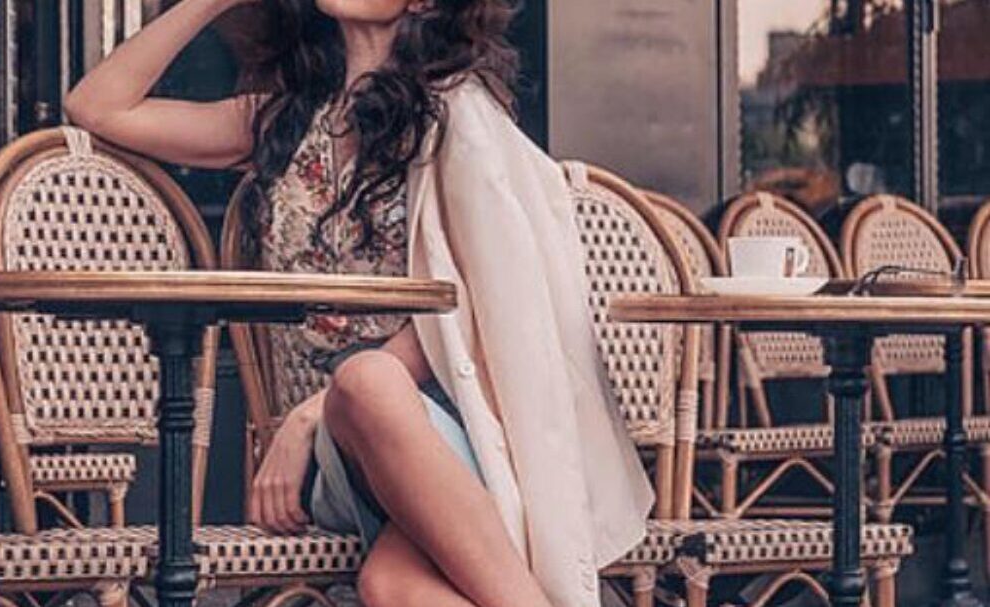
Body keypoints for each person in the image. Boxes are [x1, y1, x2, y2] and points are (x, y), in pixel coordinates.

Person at [64, 1, 653, 605]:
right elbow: (97, 107)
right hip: (345, 454)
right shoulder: (288, 118)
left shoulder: (455, 110)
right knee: (366, 383)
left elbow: (479, 300)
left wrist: (305, 416)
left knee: (392, 586)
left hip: (460, 425)